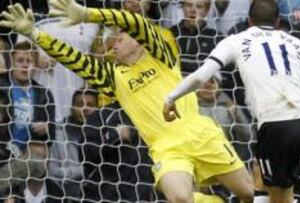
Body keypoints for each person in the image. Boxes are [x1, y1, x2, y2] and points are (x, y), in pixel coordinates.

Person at [0, 1, 254, 203]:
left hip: (200, 134)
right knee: (179, 197)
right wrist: (35, 33)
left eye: (123, 36)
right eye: (116, 37)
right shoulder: (113, 76)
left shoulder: (160, 55)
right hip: (166, 148)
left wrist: (90, 14)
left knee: (248, 194)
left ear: (140, 42)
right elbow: (75, 59)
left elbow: (135, 23)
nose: (116, 39)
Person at [162, 0, 300, 203]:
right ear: (277, 21)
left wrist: (170, 98)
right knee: (277, 190)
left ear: (249, 20)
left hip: (275, 126)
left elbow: (199, 77)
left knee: (268, 189)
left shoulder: (235, 41)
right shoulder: (293, 42)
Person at [0, 41, 55, 197]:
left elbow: (51, 139)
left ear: (36, 65)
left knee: (38, 159)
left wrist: (47, 128)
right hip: (2, 151)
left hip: (22, 159)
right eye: (20, 61)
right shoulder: (1, 84)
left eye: (29, 61)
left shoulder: (44, 95)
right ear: (11, 61)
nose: (25, 66)